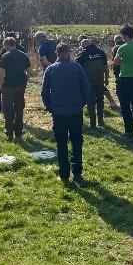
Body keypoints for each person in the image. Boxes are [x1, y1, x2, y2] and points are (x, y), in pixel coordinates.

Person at [41, 43, 89, 185]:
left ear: (57, 53)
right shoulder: (77, 67)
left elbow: (44, 92)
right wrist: (81, 104)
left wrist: (50, 107)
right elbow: (85, 89)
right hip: (75, 110)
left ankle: (64, 175)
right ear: (68, 53)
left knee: (61, 143)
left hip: (58, 112)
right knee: (77, 142)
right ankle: (77, 172)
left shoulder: (50, 69)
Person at [0, 37, 31, 140]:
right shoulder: (23, 55)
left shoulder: (5, 56)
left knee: (7, 109)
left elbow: (1, 72)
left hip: (8, 86)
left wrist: (1, 84)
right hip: (21, 85)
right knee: (19, 109)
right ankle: (19, 133)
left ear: (6, 45)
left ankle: (9, 132)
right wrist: (26, 79)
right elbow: (29, 70)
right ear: (15, 44)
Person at [0, 32, 27, 121]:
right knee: (18, 100)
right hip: (20, 79)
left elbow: (2, 66)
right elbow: (27, 66)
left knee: (1, 98)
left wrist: (1, 81)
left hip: (7, 79)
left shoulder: (4, 50)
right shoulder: (22, 49)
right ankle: (17, 118)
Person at [75, 38, 109, 129]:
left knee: (90, 102)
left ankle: (93, 124)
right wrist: (106, 78)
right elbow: (106, 67)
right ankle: (101, 121)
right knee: (100, 100)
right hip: (100, 81)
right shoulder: (101, 52)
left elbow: (76, 68)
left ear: (83, 46)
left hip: (88, 82)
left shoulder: (82, 54)